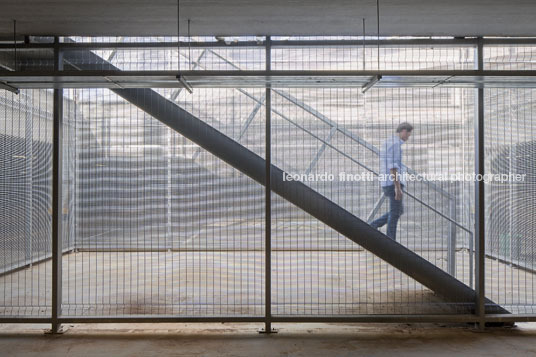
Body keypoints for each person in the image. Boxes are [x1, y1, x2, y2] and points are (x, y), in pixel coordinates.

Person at [369, 122, 413, 241]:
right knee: (395, 213)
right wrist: (397, 187)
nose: (408, 138)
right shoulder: (395, 144)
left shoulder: (390, 142)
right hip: (392, 182)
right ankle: (390, 240)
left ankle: (373, 225)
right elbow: (393, 166)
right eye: (408, 134)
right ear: (403, 131)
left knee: (398, 210)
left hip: (387, 182)